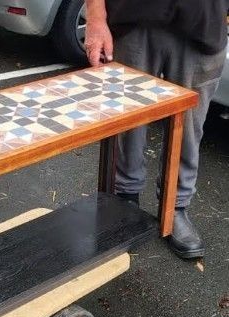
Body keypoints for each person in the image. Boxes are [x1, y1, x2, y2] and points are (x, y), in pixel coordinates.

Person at [84, 0, 228, 259]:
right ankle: (124, 200)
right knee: (126, 120)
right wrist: (95, 17)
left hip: (204, 22)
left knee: (189, 128)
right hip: (131, 18)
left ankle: (176, 207)